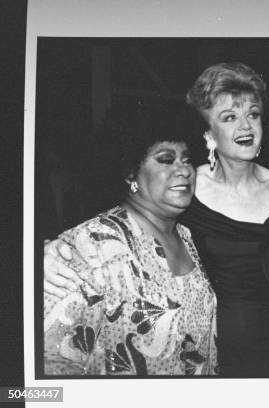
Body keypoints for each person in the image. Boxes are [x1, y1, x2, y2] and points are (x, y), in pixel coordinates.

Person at [43, 107, 217, 375]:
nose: (183, 170)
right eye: (166, 160)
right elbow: (51, 366)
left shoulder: (187, 236)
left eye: (186, 159)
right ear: (130, 173)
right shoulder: (91, 245)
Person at [179, 62, 269, 377]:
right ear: (208, 134)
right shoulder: (185, 190)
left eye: (253, 114)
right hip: (207, 354)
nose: (245, 126)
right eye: (230, 117)